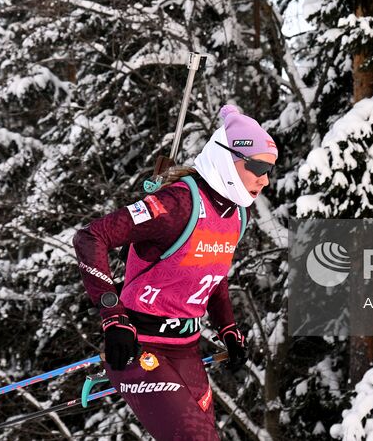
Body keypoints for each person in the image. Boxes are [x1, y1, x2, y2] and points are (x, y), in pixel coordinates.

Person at [72, 104, 277, 441]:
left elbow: (213, 273)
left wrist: (228, 329)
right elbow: (90, 237)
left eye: (269, 169)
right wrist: (112, 316)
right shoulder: (175, 204)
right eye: (256, 166)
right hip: (139, 346)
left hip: (186, 349)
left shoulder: (237, 217)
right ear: (226, 158)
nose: (264, 180)